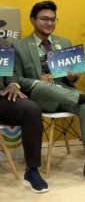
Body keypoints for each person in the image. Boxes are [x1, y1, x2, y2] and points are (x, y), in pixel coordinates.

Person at [12, 1, 85, 184]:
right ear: (33, 20)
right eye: (44, 19)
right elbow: (17, 80)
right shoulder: (19, 46)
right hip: (40, 97)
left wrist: (73, 77)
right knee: (43, 86)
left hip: (66, 93)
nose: (49, 23)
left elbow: (74, 75)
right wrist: (38, 81)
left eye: (53, 19)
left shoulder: (64, 42)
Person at [0, 38, 48, 193]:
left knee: (31, 109)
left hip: (1, 96)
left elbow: (10, 71)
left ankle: (31, 170)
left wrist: (13, 84)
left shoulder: (2, 43)